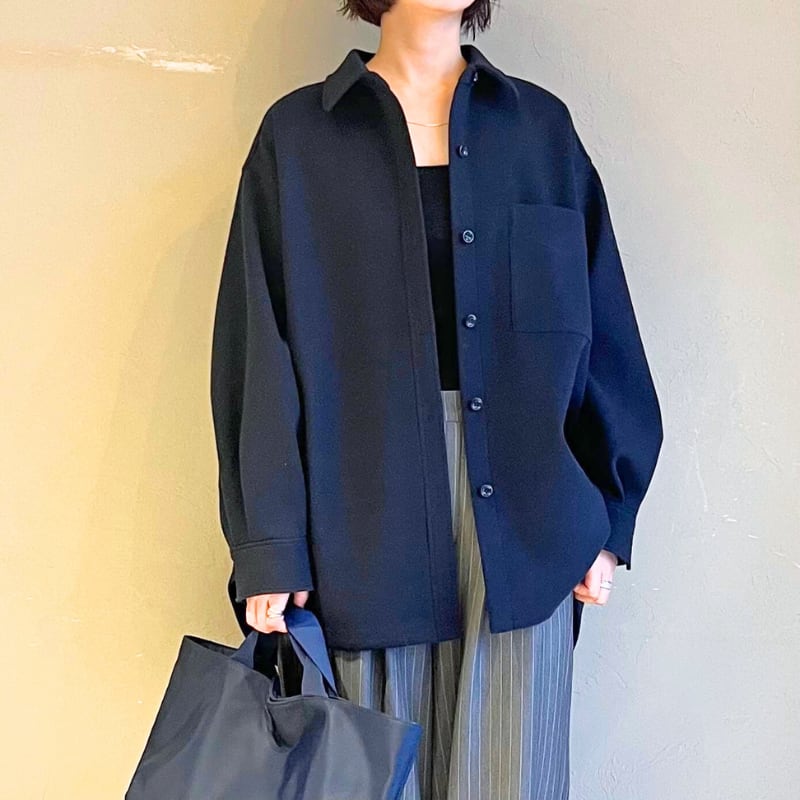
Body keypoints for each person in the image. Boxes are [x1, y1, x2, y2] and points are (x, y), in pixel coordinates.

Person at [210, 2, 664, 798]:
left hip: (527, 527)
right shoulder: (300, 139)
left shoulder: (540, 133)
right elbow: (257, 350)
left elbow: (605, 333)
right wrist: (269, 543)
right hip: (360, 522)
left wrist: (607, 520)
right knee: (368, 778)